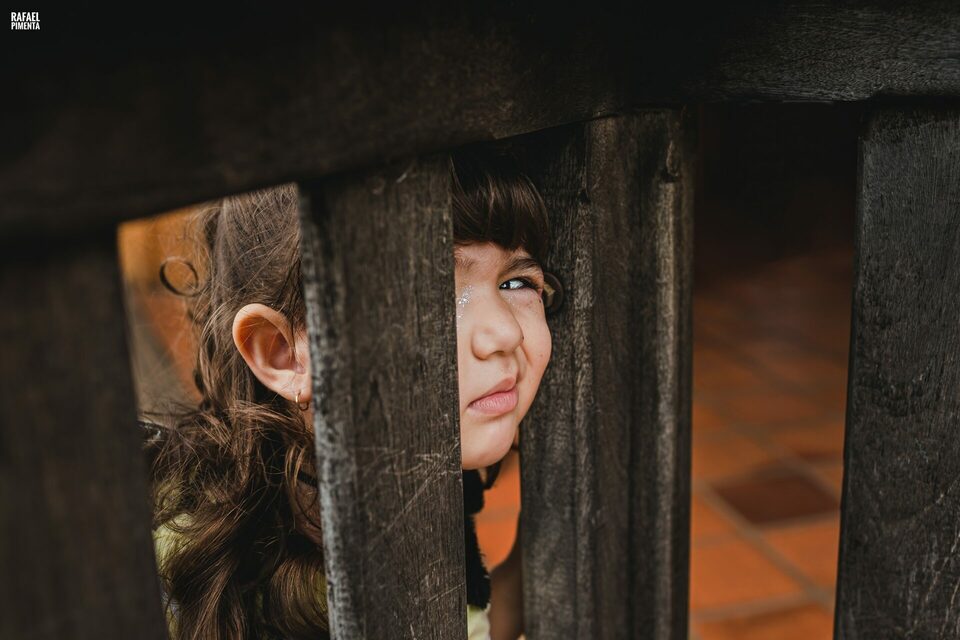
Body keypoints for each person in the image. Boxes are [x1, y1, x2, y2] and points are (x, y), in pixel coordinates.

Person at [147, 146, 554, 640]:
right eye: (429, 292)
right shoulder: (176, 565)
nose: (506, 333)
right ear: (283, 353)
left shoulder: (412, 495)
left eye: (516, 283)